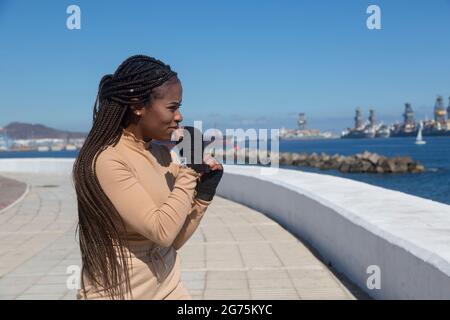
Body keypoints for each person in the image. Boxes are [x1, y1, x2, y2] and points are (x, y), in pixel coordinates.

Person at [73, 55, 223, 300]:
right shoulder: (107, 161)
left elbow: (171, 240)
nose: (179, 116)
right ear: (138, 106)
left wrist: (203, 196)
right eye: (172, 107)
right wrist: (189, 170)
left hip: (170, 287)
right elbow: (161, 231)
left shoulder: (160, 153)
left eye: (179, 107)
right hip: (120, 293)